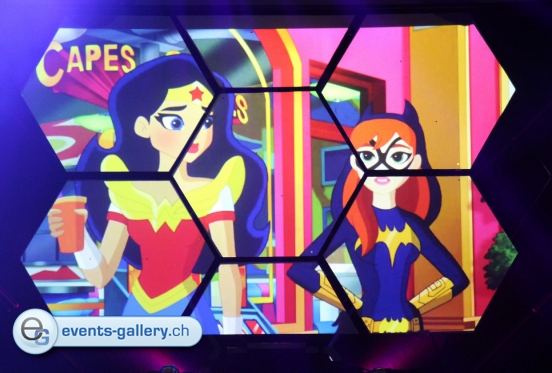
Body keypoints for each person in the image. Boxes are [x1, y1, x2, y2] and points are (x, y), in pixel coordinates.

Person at [48, 54, 269, 334]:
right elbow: (101, 275)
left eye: (206, 122)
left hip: (188, 309)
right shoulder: (125, 191)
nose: (196, 134)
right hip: (137, 312)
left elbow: (228, 269)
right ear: (143, 126)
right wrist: (78, 239)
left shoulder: (214, 191)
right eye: (176, 122)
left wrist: (233, 334)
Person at [288, 102, 468, 333]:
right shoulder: (351, 222)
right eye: (368, 156)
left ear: (415, 163)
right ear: (355, 163)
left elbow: (457, 278)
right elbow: (300, 270)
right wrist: (354, 306)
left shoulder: (414, 225)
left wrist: (414, 308)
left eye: (397, 156)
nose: (381, 167)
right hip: (365, 329)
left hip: (410, 331)